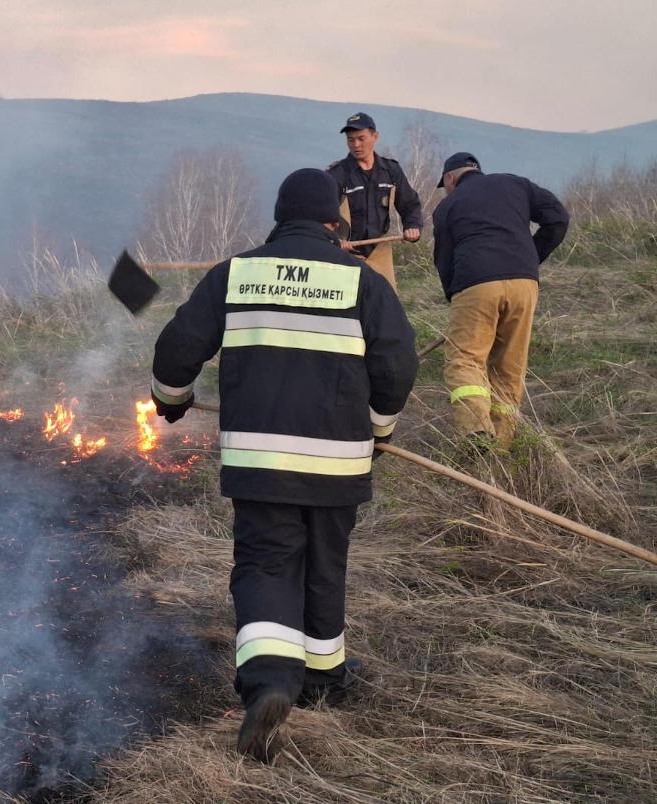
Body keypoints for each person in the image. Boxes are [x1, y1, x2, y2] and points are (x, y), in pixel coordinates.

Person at [149, 168, 418, 763]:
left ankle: (271, 682)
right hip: (339, 464)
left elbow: (178, 347)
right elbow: (398, 366)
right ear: (334, 223)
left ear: (277, 219)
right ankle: (323, 684)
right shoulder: (362, 281)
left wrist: (170, 400)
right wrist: (378, 431)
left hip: (262, 463)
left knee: (268, 566)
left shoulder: (237, 273)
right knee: (325, 566)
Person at [432, 152, 569, 449]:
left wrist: (454, 297)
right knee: (509, 367)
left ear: (450, 179)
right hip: (524, 284)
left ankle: (476, 433)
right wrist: (531, 257)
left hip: (476, 285)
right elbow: (558, 218)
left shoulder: (447, 206)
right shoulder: (516, 184)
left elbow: (444, 260)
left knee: (465, 359)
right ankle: (502, 447)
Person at [326, 112, 423, 291]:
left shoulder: (391, 171)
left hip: (380, 251)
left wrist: (413, 226)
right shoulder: (336, 175)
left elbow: (410, 204)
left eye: (361, 138)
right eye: (350, 140)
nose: (356, 145)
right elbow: (322, 215)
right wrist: (335, 240)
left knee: (387, 306)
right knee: (348, 305)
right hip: (347, 252)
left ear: (375, 136)